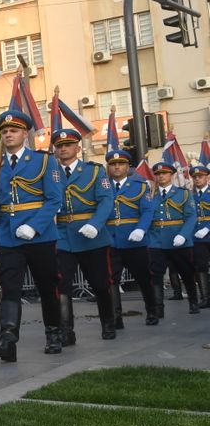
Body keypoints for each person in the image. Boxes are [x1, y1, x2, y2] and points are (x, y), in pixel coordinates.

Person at [0, 109, 64, 360]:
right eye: (4, 131)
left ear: (24, 133)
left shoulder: (44, 161)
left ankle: (53, 333)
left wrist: (35, 226)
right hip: (8, 235)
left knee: (47, 287)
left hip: (40, 235)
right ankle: (8, 341)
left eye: (13, 130)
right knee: (9, 287)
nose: (8, 134)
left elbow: (54, 199)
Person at [51, 128, 117, 342]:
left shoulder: (95, 171)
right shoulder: (49, 172)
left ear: (77, 148)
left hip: (91, 235)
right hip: (62, 235)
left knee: (100, 283)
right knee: (61, 285)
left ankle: (108, 323)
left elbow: (107, 200)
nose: (63, 149)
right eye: (59, 146)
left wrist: (96, 225)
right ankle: (66, 331)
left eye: (68, 145)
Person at [105, 148, 159, 326]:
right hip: (111, 239)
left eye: (121, 164)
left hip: (134, 239)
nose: (117, 167)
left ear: (128, 166)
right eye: (113, 164)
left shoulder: (140, 186)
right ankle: (115, 317)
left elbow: (148, 210)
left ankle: (152, 310)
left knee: (143, 277)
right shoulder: (103, 186)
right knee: (111, 279)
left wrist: (141, 229)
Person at [147, 160, 200, 315]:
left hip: (179, 240)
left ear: (171, 174)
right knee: (156, 275)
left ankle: (193, 302)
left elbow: (191, 217)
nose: (161, 176)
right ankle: (158, 308)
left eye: (164, 173)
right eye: (157, 174)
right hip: (157, 241)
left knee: (187, 272)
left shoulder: (183, 193)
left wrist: (183, 235)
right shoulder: (151, 195)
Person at [191, 162, 210, 307]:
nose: (197, 179)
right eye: (195, 177)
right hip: (196, 237)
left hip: (208, 233)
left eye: (200, 176)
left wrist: (207, 228)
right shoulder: (190, 195)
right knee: (200, 266)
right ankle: (205, 298)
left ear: (207, 177)